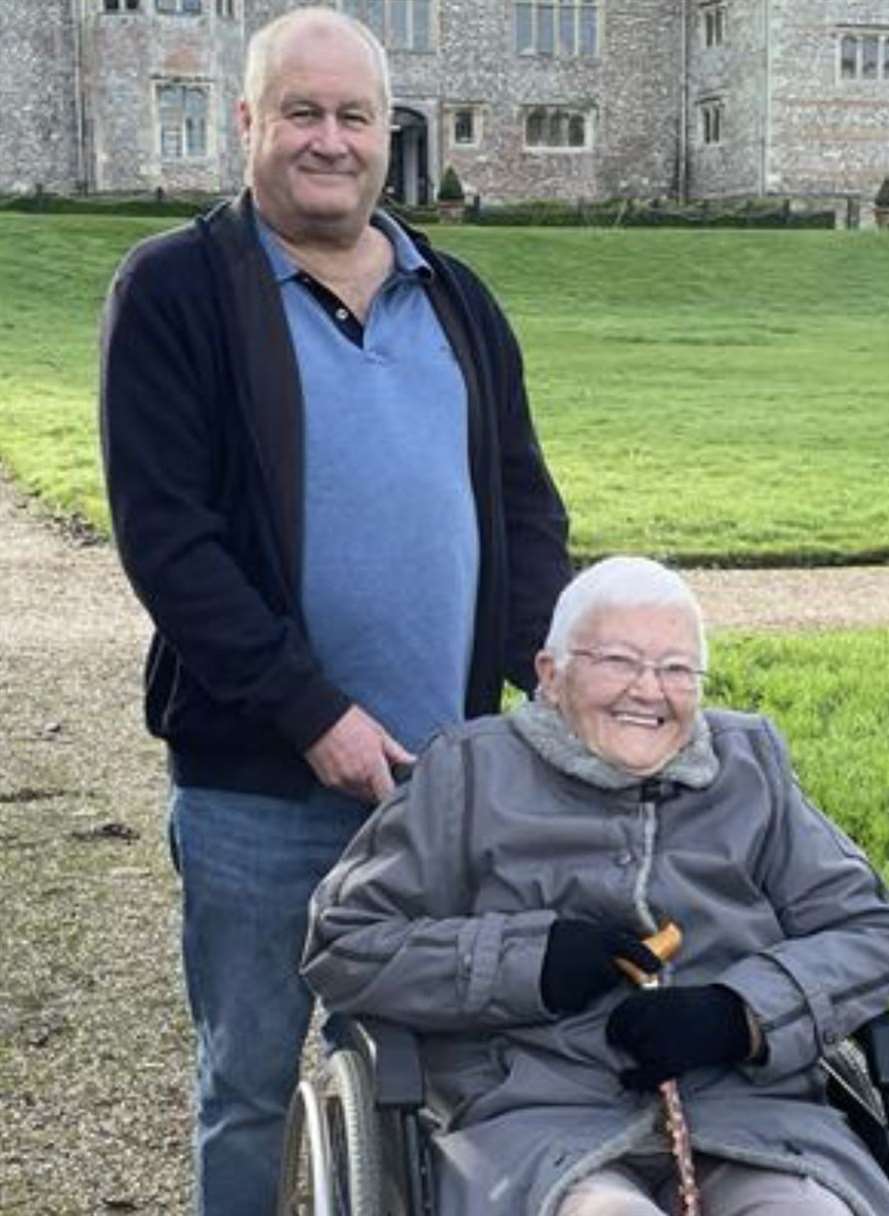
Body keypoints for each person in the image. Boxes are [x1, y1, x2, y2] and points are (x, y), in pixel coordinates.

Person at [99, 8, 570, 1214]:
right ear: (249, 123)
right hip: (258, 787)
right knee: (250, 1086)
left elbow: (521, 506)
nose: (329, 139)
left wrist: (559, 673)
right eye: (300, 112)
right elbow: (171, 541)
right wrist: (315, 713)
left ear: (384, 130)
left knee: (427, 1081)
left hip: (434, 784)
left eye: (353, 115)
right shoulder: (175, 289)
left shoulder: (456, 296)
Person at [302, 556, 889, 1216]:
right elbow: (343, 943)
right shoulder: (468, 775)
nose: (649, 691)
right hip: (533, 1117)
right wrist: (528, 963)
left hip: (750, 1116)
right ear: (550, 673)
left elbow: (871, 931)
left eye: (676, 669)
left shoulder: (750, 769)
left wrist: (740, 1015)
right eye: (618, 661)